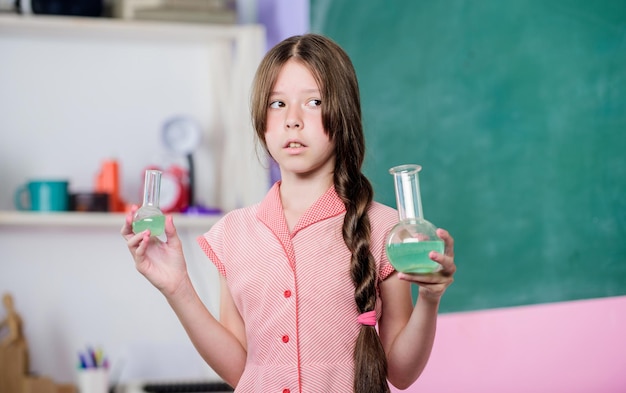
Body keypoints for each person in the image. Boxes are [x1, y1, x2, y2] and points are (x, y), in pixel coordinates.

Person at [122, 33, 456, 393]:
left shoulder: (387, 228)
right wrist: (178, 289)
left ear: (342, 115)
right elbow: (241, 370)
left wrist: (430, 299)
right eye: (277, 104)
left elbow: (401, 374)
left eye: (313, 102)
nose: (292, 120)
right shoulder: (233, 233)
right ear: (261, 120)